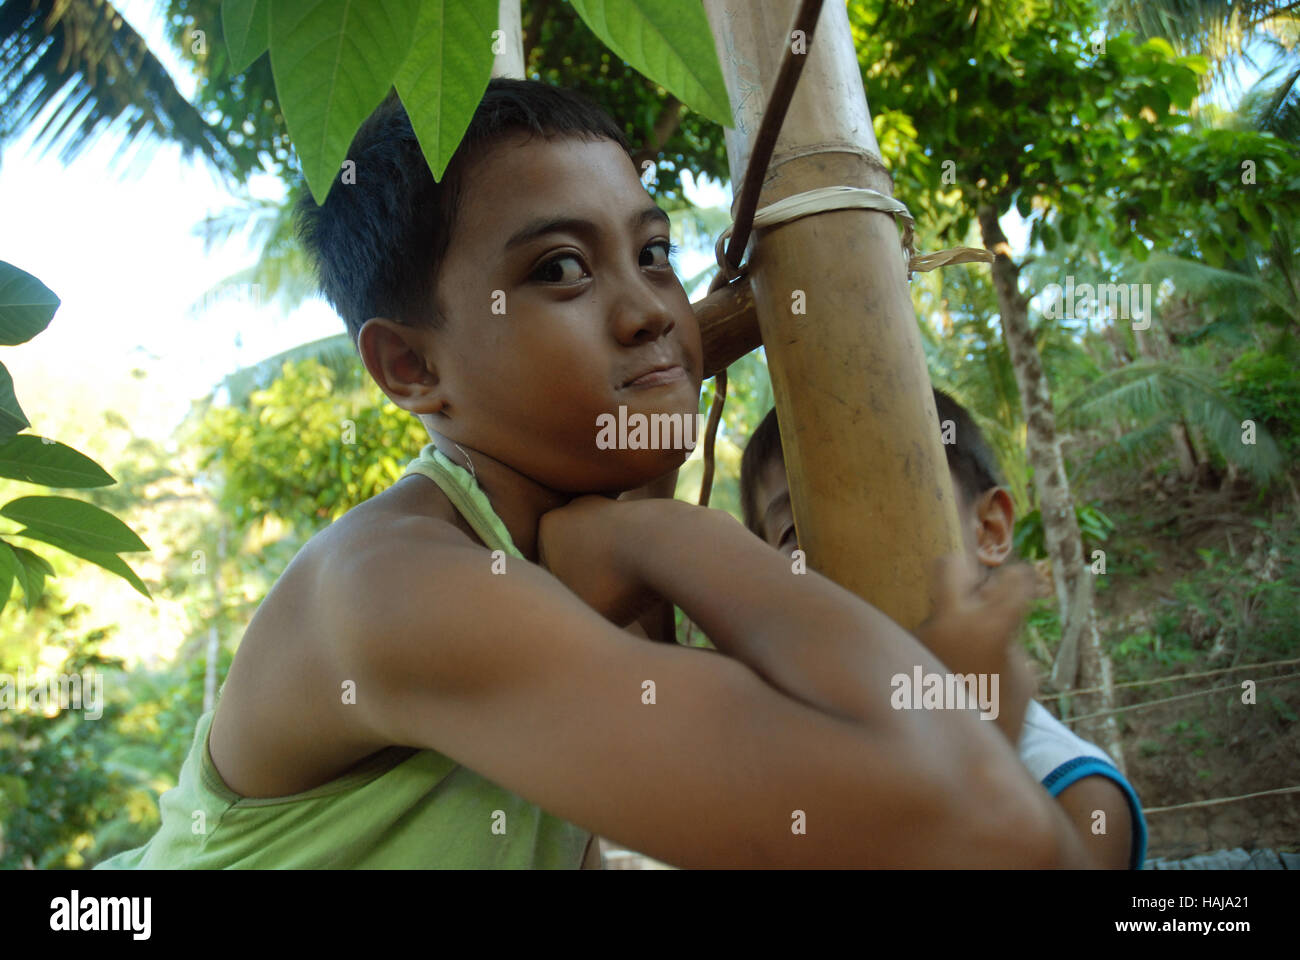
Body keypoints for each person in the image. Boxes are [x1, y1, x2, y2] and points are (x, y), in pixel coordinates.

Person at [96, 79, 1092, 869]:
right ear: (411, 366)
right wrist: (663, 535)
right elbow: (974, 832)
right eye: (559, 269)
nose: (649, 310)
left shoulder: (554, 573)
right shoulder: (395, 590)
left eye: (654, 252)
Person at [739, 392, 1149, 869]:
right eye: (794, 534)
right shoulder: (789, 769)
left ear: (988, 530)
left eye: (890, 502)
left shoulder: (1068, 791)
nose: (847, 557)